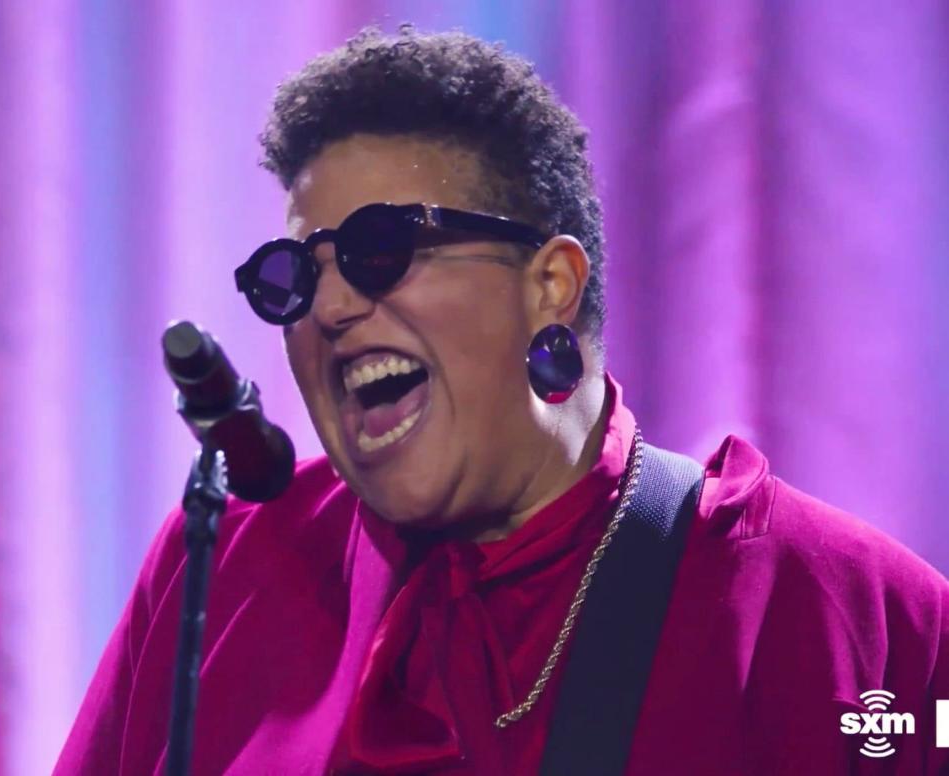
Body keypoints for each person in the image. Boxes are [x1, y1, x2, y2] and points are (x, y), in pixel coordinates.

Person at [54, 27, 949, 775]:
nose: (327, 308)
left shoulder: (846, 610)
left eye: (380, 249)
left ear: (550, 283)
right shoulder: (223, 561)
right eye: (293, 278)